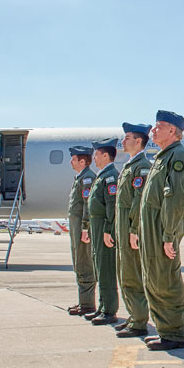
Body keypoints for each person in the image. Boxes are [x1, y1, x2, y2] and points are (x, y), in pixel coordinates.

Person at [140, 111, 184, 351]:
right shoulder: (163, 156)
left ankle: (175, 334)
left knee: (166, 279)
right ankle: (165, 331)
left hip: (163, 226)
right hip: (153, 226)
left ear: (172, 131)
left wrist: (168, 235)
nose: (153, 131)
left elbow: (174, 198)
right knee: (154, 278)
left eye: (158, 126)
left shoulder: (178, 155)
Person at [114, 122, 153, 338]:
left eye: (127, 137)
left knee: (133, 275)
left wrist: (134, 229)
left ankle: (139, 321)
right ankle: (133, 316)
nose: (123, 141)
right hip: (122, 227)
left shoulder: (142, 166)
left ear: (138, 141)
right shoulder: (130, 166)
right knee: (125, 273)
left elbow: (139, 201)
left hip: (130, 228)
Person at [85, 137, 120, 325]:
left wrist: (108, 230)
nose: (94, 158)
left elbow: (112, 206)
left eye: (97, 154)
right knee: (99, 266)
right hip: (97, 226)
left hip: (104, 228)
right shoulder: (102, 175)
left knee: (106, 268)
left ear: (106, 156)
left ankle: (109, 310)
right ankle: (102, 305)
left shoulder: (111, 176)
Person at [66, 145, 97, 316]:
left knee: (84, 263)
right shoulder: (80, 178)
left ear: (83, 161)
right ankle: (84, 301)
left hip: (82, 230)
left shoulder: (87, 179)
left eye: (74, 159)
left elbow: (87, 205)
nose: (71, 162)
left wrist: (85, 227)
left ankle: (87, 304)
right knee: (79, 262)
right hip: (76, 228)